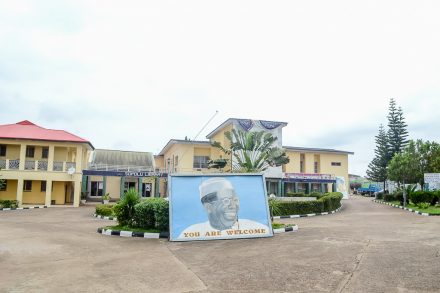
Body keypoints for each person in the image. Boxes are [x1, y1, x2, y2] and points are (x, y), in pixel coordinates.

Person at [178, 177, 270, 240]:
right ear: (208, 207)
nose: (233, 205)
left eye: (235, 200)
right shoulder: (192, 232)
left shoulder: (258, 228)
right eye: (226, 201)